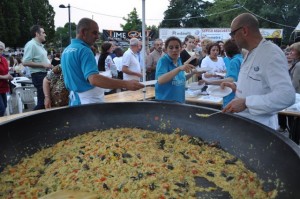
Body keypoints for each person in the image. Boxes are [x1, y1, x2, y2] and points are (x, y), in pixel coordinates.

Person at [222, 13, 295, 130]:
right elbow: (258, 83)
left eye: (233, 33)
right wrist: (235, 86)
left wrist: (246, 103)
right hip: (245, 123)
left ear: (244, 31)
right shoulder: (250, 52)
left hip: (260, 127)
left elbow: (286, 96)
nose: (232, 38)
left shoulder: (271, 54)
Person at [61, 18, 143, 106]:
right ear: (84, 32)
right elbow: (94, 79)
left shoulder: (66, 50)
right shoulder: (84, 50)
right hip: (88, 102)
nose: (97, 37)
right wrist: (126, 84)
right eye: (94, 33)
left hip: (75, 101)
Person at [200, 39, 243, 107]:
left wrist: (210, 82)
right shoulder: (241, 58)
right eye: (213, 50)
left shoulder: (234, 61)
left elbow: (231, 79)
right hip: (237, 91)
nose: (216, 52)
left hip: (231, 93)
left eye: (217, 50)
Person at [155, 36, 195, 103]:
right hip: (166, 103)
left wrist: (193, 73)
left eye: (177, 47)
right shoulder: (163, 61)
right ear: (166, 49)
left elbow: (180, 79)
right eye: (171, 47)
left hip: (179, 102)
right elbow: (160, 80)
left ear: (181, 48)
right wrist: (179, 69)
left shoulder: (179, 60)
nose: (174, 50)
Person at [22, 25, 53, 110]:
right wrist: (43, 65)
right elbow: (25, 62)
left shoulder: (39, 45)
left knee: (44, 101)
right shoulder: (31, 44)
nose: (45, 34)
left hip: (42, 74)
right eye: (43, 32)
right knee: (42, 102)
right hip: (38, 75)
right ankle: (29, 121)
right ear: (37, 34)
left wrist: (49, 65)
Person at [0, 41, 13, 116]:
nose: (0, 51)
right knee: (1, 109)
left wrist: (9, 77)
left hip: (3, 87)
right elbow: (5, 75)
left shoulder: (4, 60)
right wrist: (5, 77)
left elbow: (6, 72)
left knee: (4, 106)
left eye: (1, 49)